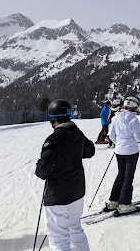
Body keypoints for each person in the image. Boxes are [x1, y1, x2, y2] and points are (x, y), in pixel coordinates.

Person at [35, 99, 95, 251]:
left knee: (58, 236)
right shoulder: (77, 134)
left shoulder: (54, 139)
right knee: (75, 227)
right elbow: (90, 150)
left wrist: (41, 167)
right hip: (77, 192)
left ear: (52, 118)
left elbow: (43, 168)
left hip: (58, 195)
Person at [104, 96, 140, 215]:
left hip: (119, 151)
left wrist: (118, 144)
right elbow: (138, 138)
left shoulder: (116, 118)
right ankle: (125, 204)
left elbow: (111, 135)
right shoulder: (133, 120)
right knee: (128, 177)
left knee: (121, 175)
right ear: (134, 107)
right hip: (131, 152)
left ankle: (113, 201)